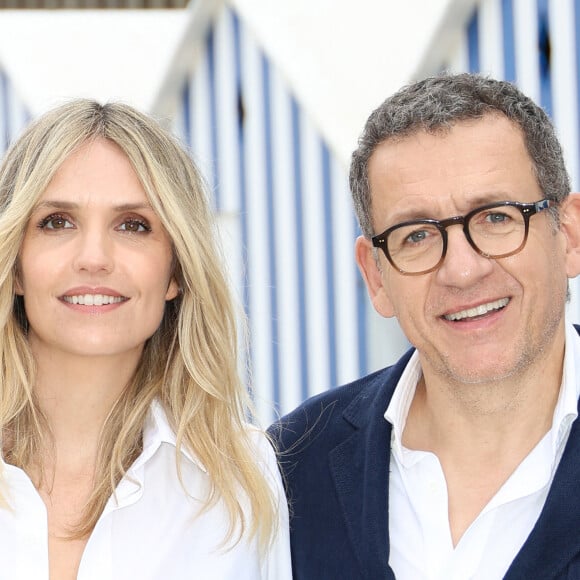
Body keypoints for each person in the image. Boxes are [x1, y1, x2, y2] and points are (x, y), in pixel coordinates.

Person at [270, 72, 580, 579]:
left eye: (496, 217)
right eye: (416, 235)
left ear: (567, 235)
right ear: (375, 276)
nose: (463, 269)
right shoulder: (290, 471)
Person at [0, 100, 291, 579]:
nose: (94, 258)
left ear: (175, 271)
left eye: (133, 225)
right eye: (57, 221)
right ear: (16, 266)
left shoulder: (243, 481)